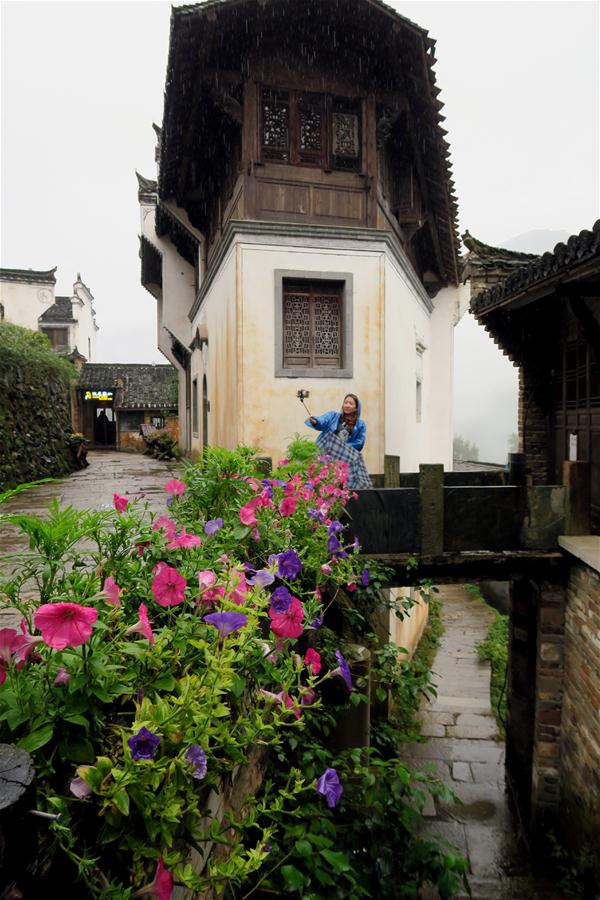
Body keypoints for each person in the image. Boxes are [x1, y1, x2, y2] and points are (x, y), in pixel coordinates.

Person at [305, 394, 373, 489]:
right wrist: (316, 421)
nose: (347, 405)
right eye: (345, 402)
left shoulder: (360, 425)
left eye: (351, 403)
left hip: (343, 458)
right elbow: (323, 420)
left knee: (340, 486)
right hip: (326, 455)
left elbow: (360, 443)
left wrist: (341, 446)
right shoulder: (333, 416)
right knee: (322, 481)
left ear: (356, 408)